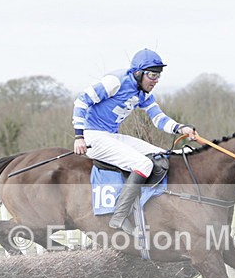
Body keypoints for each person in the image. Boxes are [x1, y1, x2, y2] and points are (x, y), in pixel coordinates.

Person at [72, 49, 196, 235]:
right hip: (93, 136)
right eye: (152, 75)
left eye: (158, 76)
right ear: (138, 73)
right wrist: (79, 137)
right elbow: (81, 101)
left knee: (163, 156)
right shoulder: (116, 81)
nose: (155, 80)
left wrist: (181, 128)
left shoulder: (143, 93)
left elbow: (158, 118)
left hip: (111, 135)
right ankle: (120, 217)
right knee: (144, 164)